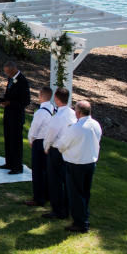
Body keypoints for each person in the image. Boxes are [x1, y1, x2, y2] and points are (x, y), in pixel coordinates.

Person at [55, 100, 102, 233]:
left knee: (75, 193)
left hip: (76, 163)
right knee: (85, 192)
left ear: (79, 113)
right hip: (90, 163)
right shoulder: (96, 125)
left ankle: (80, 222)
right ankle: (83, 215)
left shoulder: (76, 128)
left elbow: (62, 145)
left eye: (75, 110)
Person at [42, 88, 77, 220]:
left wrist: (46, 147)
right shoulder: (73, 114)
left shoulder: (58, 117)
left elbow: (50, 135)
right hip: (69, 150)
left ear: (56, 99)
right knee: (65, 179)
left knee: (55, 181)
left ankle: (57, 210)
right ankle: (66, 207)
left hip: (57, 150)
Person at [0, 61, 31, 174]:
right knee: (8, 139)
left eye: (8, 72)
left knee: (16, 142)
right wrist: (3, 99)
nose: (7, 74)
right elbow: (9, 94)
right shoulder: (11, 79)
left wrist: (10, 103)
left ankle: (17, 166)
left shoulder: (22, 81)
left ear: (13, 69)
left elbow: (25, 101)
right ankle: (9, 162)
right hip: (8, 114)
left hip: (17, 116)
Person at [24, 87, 56, 208]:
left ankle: (38, 198)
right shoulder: (54, 109)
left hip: (39, 141)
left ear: (41, 96)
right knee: (46, 169)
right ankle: (47, 194)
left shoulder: (40, 112)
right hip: (50, 141)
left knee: (37, 171)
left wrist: (31, 139)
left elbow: (34, 129)